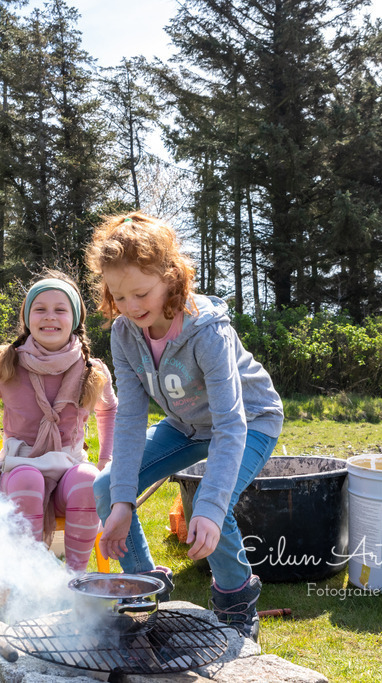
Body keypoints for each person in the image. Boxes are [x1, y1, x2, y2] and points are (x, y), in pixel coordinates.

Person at [85, 212, 284, 642]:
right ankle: (143, 591)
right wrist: (122, 501)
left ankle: (235, 599)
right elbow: (133, 416)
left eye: (141, 293)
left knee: (211, 505)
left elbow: (232, 424)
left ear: (170, 278)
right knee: (106, 489)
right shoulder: (124, 333)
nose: (132, 306)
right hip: (189, 424)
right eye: (119, 297)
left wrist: (211, 508)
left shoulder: (209, 332)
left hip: (250, 422)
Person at [0, 273, 117, 572]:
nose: (50, 317)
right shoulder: (8, 364)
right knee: (27, 479)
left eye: (60, 309)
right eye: (40, 309)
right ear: (27, 317)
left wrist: (107, 460)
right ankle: (30, 581)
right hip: (19, 470)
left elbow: (110, 411)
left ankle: (77, 579)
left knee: (88, 479)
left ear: (74, 318)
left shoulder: (91, 369)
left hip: (68, 469)